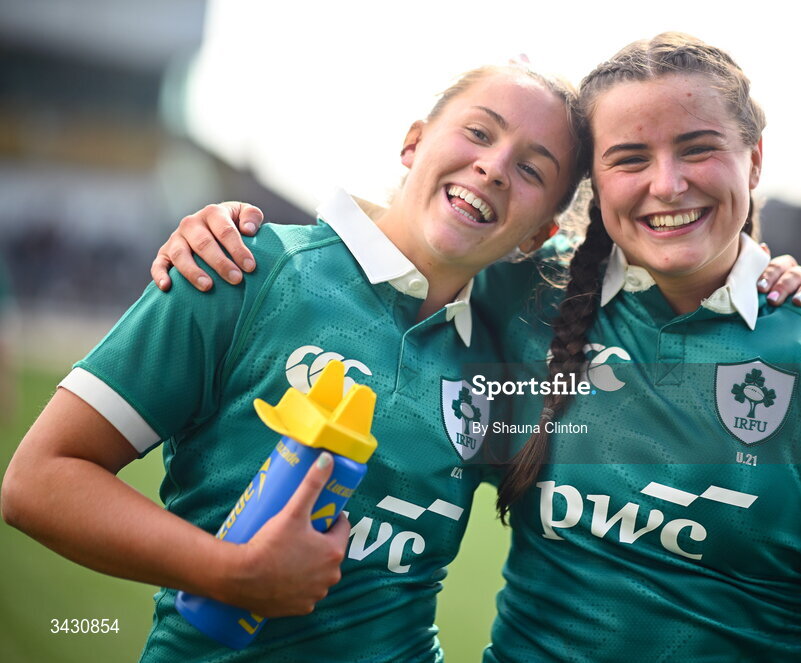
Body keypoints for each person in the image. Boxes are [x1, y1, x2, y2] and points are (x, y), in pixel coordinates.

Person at [1, 63, 591, 662]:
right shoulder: (243, 265)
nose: (493, 167)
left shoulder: (505, 359)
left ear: (538, 235)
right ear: (414, 142)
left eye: (531, 168)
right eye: (480, 133)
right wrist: (232, 575)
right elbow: (39, 480)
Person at [479, 33, 801, 662]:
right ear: (594, 180)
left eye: (697, 149)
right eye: (630, 158)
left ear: (754, 160)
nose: (668, 185)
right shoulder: (524, 297)